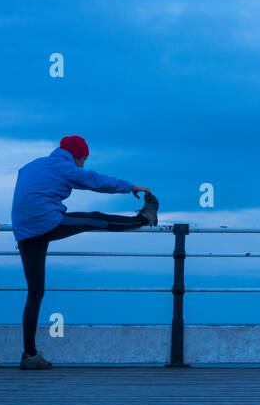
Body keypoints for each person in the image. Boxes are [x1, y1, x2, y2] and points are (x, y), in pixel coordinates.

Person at [11, 135, 159, 369]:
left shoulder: (35, 164)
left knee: (35, 292)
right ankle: (143, 218)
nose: (83, 164)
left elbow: (31, 189)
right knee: (94, 219)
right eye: (84, 159)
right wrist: (131, 187)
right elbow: (95, 181)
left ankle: (29, 355)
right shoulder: (63, 166)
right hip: (45, 223)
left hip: (24, 232)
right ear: (76, 155)